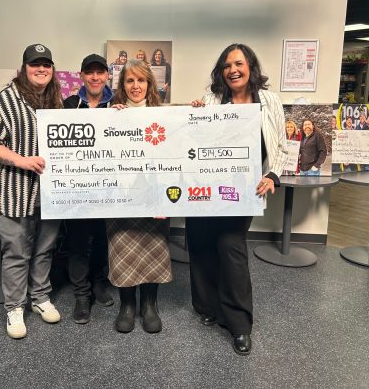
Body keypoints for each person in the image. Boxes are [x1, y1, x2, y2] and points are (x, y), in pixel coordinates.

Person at [187, 43, 286, 356]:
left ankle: (239, 324)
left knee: (231, 247)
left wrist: (273, 175)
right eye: (227, 65)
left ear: (250, 67)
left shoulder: (269, 101)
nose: (233, 70)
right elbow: (194, 139)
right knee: (201, 244)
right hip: (204, 188)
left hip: (242, 191)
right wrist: (192, 116)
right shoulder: (211, 99)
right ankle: (207, 307)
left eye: (239, 64)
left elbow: (282, 145)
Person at [0, 43, 63, 339]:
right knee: (16, 251)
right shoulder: (4, 99)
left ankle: (40, 297)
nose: (41, 69)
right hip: (12, 191)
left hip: (48, 193)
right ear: (24, 68)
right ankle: (14, 307)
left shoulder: (55, 101)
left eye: (46, 64)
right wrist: (21, 160)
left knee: (44, 248)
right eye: (35, 64)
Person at [108, 59, 172, 334]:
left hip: (153, 195)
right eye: (130, 80)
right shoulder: (111, 114)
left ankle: (149, 305)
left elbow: (175, 154)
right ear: (122, 85)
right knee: (122, 248)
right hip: (122, 195)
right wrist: (109, 118)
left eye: (141, 80)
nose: (136, 86)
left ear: (149, 84)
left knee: (153, 249)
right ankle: (127, 305)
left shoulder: (164, 115)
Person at [63, 54, 114, 324]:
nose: (95, 77)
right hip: (77, 187)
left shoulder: (118, 105)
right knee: (78, 240)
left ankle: (99, 283)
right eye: (90, 72)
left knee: (104, 237)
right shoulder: (68, 105)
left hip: (109, 186)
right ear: (81, 75)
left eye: (100, 72)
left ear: (107, 75)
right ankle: (82, 295)